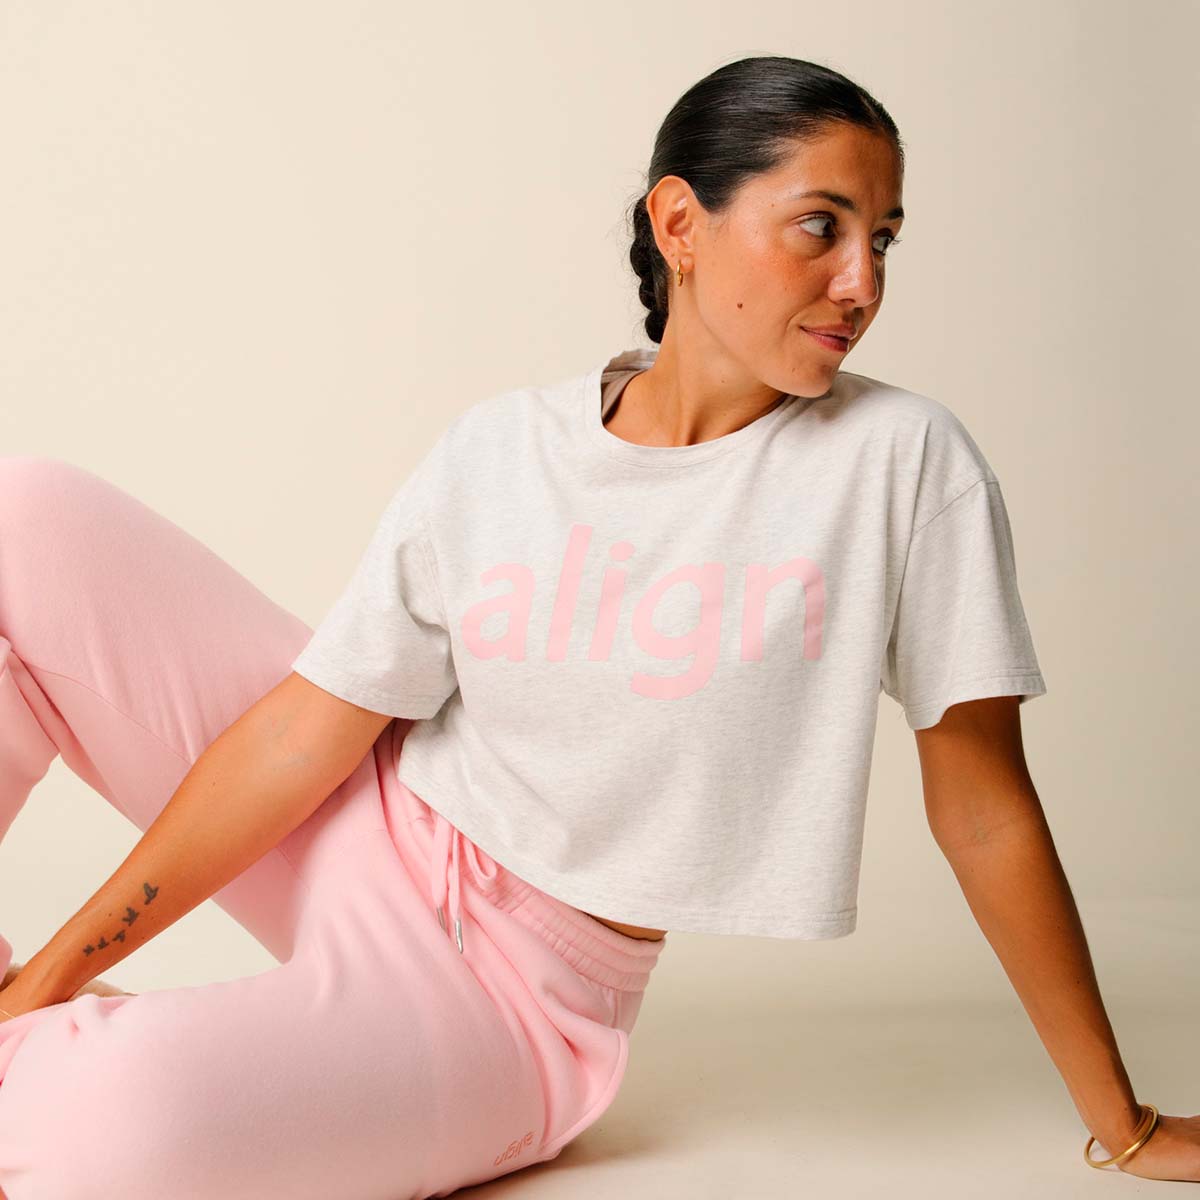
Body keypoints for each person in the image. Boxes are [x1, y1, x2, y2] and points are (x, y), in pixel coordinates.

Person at [1, 53, 1195, 1198]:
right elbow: (306, 729)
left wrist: (1125, 1123)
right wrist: (50, 977)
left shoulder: (902, 463)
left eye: (881, 240)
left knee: (106, 1133)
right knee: (26, 518)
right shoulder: (505, 446)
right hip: (368, 820)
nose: (862, 284)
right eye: (820, 227)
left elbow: (984, 809)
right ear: (681, 224)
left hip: (505, 1005)